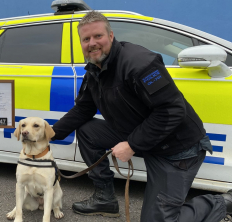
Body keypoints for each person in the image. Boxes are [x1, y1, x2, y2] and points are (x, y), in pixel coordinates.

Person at [52, 11, 232, 221]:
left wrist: (132, 145)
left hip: (176, 149)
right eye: (86, 39)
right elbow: (83, 109)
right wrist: (48, 134)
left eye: (98, 36)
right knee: (87, 131)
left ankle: (223, 203)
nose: (92, 43)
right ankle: (105, 199)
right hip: (143, 135)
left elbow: (171, 110)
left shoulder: (140, 64)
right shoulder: (95, 68)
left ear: (111, 36)